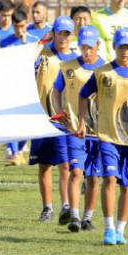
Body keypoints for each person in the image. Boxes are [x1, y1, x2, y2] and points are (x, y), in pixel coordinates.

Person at [76, 27, 128, 246]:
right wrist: (82, 121)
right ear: (114, 47)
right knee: (110, 178)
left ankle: (121, 230)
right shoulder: (103, 73)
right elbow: (83, 95)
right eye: (121, 46)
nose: (124, 51)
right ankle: (109, 228)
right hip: (108, 136)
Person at [50, 25, 105, 233]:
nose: (87, 51)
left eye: (90, 47)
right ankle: (74, 215)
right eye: (83, 47)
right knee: (76, 172)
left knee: (94, 176)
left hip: (100, 131)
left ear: (98, 45)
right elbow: (56, 90)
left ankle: (88, 218)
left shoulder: (106, 69)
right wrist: (58, 111)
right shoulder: (68, 67)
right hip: (75, 129)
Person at [30, 15, 78, 224]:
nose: (63, 38)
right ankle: (47, 208)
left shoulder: (76, 60)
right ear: (54, 33)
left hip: (65, 120)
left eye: (67, 33)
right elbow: (25, 63)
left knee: (65, 164)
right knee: (44, 165)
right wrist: (41, 42)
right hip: (42, 118)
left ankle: (66, 206)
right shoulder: (44, 54)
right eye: (60, 33)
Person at [0, 8, 36, 166]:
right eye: (17, 26)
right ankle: (14, 153)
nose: (20, 29)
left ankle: (20, 150)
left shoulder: (33, 40)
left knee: (28, 124)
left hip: (29, 86)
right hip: (11, 86)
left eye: (23, 26)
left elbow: (35, 62)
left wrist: (23, 42)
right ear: (12, 25)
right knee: (12, 122)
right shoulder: (4, 42)